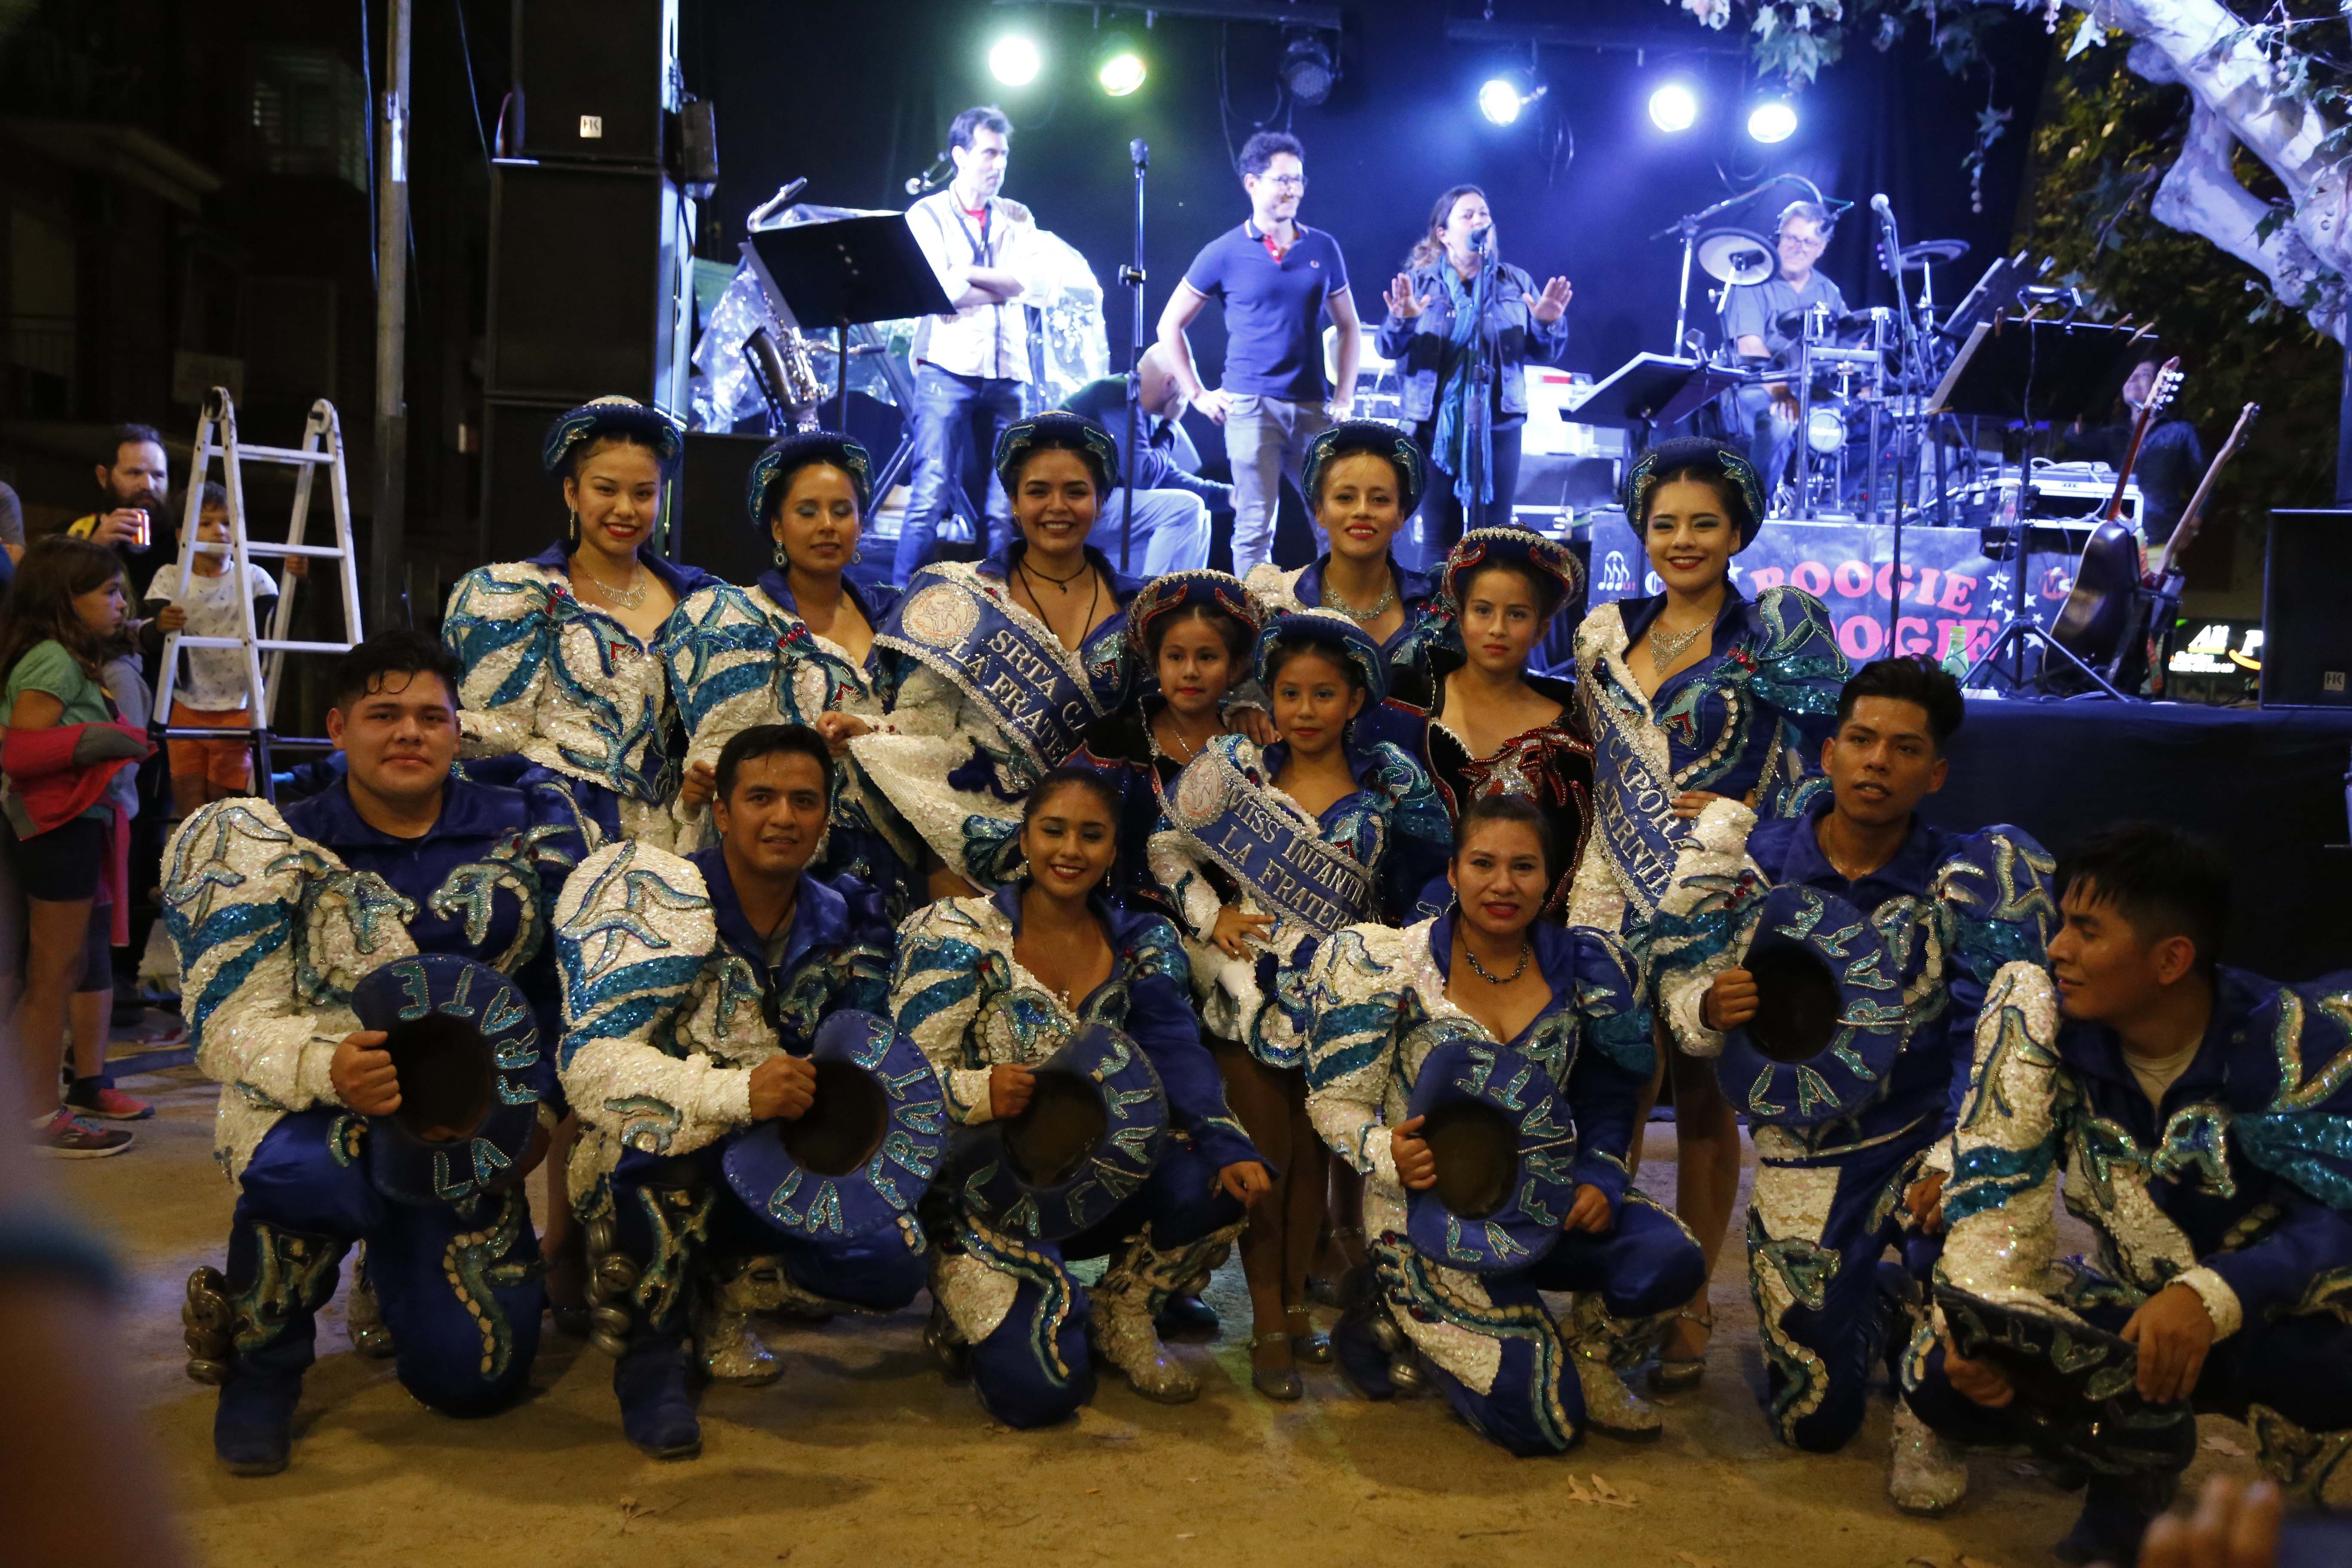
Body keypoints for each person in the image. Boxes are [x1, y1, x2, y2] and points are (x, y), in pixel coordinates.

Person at [167, 628, 588, 1474]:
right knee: (307, 1176)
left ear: (458, 731)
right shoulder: (279, 842)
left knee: (476, 1381)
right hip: (327, 1111)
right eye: (383, 714)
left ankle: (388, 1263)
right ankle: (262, 1365)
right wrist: (329, 1069)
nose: (409, 734)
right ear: (337, 727)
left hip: (470, 1132)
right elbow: (230, 1028)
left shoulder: (527, 827)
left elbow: (561, 990)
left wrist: (537, 1104)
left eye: (431, 716)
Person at [1650, 656, 2055, 1514]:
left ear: (1935, 772)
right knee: (1812, 1423)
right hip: (1805, 1155)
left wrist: (1965, 1157)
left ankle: (1926, 1399)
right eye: (1863, 742)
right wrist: (1709, 1005)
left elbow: (2001, 1036)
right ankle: (1873, 1295)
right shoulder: (1749, 864)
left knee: (1985, 1268)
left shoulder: (1969, 880)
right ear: (1828, 753)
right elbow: (1676, 994)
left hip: (1928, 1143)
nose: (1878, 762)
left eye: (1905, 749)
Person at [1905, 822, 2352, 1564]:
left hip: (2278, 1323)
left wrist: (2213, 1294)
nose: (2055, 948)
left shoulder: (2290, 1038)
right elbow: (1999, 1187)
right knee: (1942, 1360)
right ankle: (2124, 1475)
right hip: (2131, 1310)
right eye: (2060, 923)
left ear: (2171, 958)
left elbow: (2340, 1217)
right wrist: (1991, 1329)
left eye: (2086, 930)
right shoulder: (2051, 1032)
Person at [554, 723, 928, 1459]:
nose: (782, 817)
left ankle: (724, 1284)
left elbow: (872, 1049)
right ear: (720, 810)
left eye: (803, 800)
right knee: (667, 1179)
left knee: (893, 1259)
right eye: (759, 797)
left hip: (787, 1149)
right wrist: (734, 1093)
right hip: (659, 1150)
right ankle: (652, 1363)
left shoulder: (849, 911)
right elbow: (592, 1062)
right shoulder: (660, 898)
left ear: (826, 815)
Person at [1568, 435, 1847, 1390]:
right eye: (1664, 524)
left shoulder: (1774, 631)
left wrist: (1752, 823)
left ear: (1738, 531)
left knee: (1700, 1093)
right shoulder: (1605, 630)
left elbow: (1825, 768)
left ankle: (1690, 1298)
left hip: (1717, 889)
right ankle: (1617, 1280)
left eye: (1703, 524)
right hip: (1610, 882)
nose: (1681, 540)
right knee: (1612, 1082)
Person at [1302, 794, 1707, 1452]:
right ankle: (1394, 1315)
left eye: (1523, 867)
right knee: (1545, 1423)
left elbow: (1610, 1092)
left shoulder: (1586, 968)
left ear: (1550, 879)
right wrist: (1384, 1151)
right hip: (1431, 1216)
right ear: (1454, 870)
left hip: (1545, 1203)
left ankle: (1589, 1358)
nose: (1502, 884)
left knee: (1670, 1258)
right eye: (1483, 863)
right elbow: (1333, 1102)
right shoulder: (1388, 965)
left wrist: (1601, 1176)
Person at [893, 767, 1269, 1424]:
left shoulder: (1144, 942)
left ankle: (1123, 1311)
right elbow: (903, 1080)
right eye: (1054, 831)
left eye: (1091, 836)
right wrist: (980, 1092)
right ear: (1026, 838)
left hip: (1100, 1182)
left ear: (1113, 850)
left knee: (1220, 1177)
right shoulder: (955, 933)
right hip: (986, 1195)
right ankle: (968, 1297)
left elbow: (1176, 1052)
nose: (1071, 851)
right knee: (1044, 1396)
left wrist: (1227, 1140)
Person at [1147, 611, 1450, 1399]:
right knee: (1266, 1165)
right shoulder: (1238, 770)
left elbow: (1425, 875)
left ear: (1355, 701)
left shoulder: (1387, 785)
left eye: (1325, 693)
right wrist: (1208, 914)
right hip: (1249, 994)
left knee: (1318, 1168)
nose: (1306, 709)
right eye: (1291, 693)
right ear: (1269, 699)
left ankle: (1297, 1308)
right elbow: (1164, 844)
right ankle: (1271, 1323)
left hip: (1341, 1004)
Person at [854, 413, 1143, 899]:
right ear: (1013, 502)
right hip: (968, 845)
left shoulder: (1141, 612)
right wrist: (868, 732)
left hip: (1091, 855)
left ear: (1101, 500)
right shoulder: (959, 592)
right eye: (1037, 492)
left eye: (1076, 491)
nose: (1057, 507)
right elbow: (922, 720)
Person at [442, 395, 732, 851]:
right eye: (606, 489)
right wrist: (432, 733)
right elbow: (506, 725)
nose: (625, 510)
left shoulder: (705, 603)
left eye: (643, 493)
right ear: (572, 493)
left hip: (682, 827)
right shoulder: (521, 595)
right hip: (561, 818)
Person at [666, 431, 915, 920]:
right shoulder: (728, 617)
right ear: (777, 526)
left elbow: (934, 732)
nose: (827, 526)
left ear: (861, 524)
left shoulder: (901, 620)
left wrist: (873, 733)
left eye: (842, 511)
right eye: (808, 512)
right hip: (785, 863)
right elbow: (723, 750)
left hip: (899, 855)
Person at [0, 539, 156, 1153]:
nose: (121, 604)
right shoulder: (53, 661)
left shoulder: (56, 656)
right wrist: (107, 737)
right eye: (110, 592)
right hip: (56, 829)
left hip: (58, 828)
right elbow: (20, 753)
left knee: (39, 975)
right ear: (67, 598)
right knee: (51, 976)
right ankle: (41, 1117)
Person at [1158, 130, 1362, 577]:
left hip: (1312, 406)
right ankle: (1257, 630)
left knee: (1333, 520)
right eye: (1281, 180)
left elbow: (1349, 326)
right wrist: (1197, 394)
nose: (1292, 189)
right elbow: (1169, 324)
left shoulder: (1322, 247)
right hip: (1251, 407)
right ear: (1252, 183)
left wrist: (1344, 397)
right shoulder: (1225, 251)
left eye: (1298, 180)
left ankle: (1341, 619)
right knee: (1255, 527)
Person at [897, 104, 1045, 584]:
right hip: (947, 367)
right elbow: (941, 290)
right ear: (960, 154)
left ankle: (996, 609)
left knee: (1004, 506)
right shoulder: (927, 213)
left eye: (1003, 153)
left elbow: (1026, 280)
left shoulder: (1019, 215)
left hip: (1006, 373)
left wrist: (963, 274)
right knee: (930, 495)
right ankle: (900, 607)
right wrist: (983, 285)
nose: (998, 163)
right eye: (988, 153)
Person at [1377, 185, 1572, 550]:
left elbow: (1546, 353)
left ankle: (1485, 607)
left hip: (1499, 425)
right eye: (1467, 215)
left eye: (1484, 214)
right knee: (1438, 537)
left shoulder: (1514, 283)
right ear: (1444, 235)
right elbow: (1387, 348)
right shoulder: (1420, 284)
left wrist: (1547, 324)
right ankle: (1443, 608)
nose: (1480, 220)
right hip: (1432, 427)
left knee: (1494, 537)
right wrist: (1402, 320)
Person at [1066, 569, 1261, 923]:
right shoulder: (1117, 741)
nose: (1190, 671)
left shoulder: (1252, 746)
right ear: (1156, 663)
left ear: (1234, 669)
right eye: (1175, 657)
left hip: (1236, 921)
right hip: (1127, 919)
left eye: (1207, 657)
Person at [1420, 529, 1594, 918]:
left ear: (1542, 629)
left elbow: (1571, 848)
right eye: (1483, 610)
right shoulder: (1412, 701)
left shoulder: (1570, 728)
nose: (1498, 628)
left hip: (1527, 930)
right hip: (1413, 927)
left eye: (1516, 614)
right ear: (1461, 617)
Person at [1244, 421, 1445, 705]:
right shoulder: (1273, 600)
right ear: (1320, 512)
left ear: (1401, 515)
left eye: (1379, 499)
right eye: (1345, 498)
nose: (1362, 511)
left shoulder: (1436, 605)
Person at [142, 480, 282, 815]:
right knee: (189, 800)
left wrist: (297, 584)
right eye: (206, 523)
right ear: (182, 535)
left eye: (227, 522)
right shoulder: (170, 578)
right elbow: (151, 638)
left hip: (238, 703)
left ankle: (221, 867)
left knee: (225, 806)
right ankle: (194, 867)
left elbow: (280, 625)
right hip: (186, 701)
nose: (219, 531)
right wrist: (161, 623)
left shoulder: (254, 578)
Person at [1057, 344, 1227, 577]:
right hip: (1069, 503)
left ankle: (1169, 604)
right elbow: (1140, 477)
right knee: (1186, 509)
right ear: (1169, 383)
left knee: (1199, 515)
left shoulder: (1144, 414)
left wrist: (1231, 497)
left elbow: (1166, 478)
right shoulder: (1117, 394)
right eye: (1185, 387)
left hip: (1098, 508)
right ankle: (1158, 605)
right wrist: (1170, 426)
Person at [1719, 201, 1850, 501]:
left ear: (1822, 248)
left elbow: (1848, 345)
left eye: (1809, 242)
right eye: (1791, 237)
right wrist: (1781, 391)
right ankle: (1751, 507)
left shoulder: (1829, 292)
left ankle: (1822, 506)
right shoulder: (1753, 279)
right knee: (1781, 421)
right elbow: (1750, 348)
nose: (1798, 247)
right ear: (1778, 236)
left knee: (1877, 423)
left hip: (1809, 393)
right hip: (1754, 389)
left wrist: (1860, 381)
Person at [2059, 358, 2207, 547]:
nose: (2133, 379)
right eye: (2129, 375)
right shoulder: (2113, 434)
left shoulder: (2181, 432)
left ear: (2161, 383)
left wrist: (2193, 525)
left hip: (2160, 538)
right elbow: (2075, 439)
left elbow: (2207, 483)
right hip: (2112, 540)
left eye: (2144, 374)